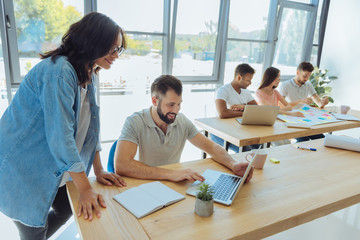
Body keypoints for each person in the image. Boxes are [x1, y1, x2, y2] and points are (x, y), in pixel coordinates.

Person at [0, 12, 127, 240]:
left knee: (68, 207)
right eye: (112, 48)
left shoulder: (88, 73)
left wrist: (98, 171)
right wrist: (86, 188)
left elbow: (91, 130)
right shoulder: (58, 72)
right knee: (34, 229)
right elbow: (61, 137)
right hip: (22, 168)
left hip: (50, 165)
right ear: (92, 40)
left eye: (119, 49)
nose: (116, 55)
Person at [114, 75, 253, 183]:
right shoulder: (134, 122)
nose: (176, 110)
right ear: (154, 101)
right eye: (171, 105)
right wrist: (170, 174)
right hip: (142, 184)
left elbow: (211, 147)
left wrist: (233, 164)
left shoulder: (181, 120)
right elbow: (121, 165)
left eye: (179, 104)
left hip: (172, 183)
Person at [213, 63, 259, 152]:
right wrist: (245, 112)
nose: (250, 83)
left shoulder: (246, 92)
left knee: (261, 145)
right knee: (246, 150)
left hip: (240, 130)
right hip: (221, 132)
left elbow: (256, 109)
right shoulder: (223, 91)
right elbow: (222, 113)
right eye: (248, 80)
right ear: (239, 77)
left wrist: (243, 107)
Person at [278, 62, 328, 142]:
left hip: (305, 117)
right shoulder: (285, 85)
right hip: (291, 117)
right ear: (298, 72)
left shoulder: (308, 84)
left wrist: (322, 103)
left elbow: (318, 102)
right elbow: (280, 106)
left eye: (309, 76)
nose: (307, 78)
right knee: (304, 140)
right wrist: (299, 101)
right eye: (305, 76)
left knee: (321, 139)